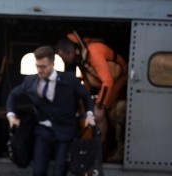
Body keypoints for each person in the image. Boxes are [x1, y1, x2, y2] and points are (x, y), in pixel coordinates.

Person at [6, 45, 96, 176]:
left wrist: (90, 114)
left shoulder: (69, 80)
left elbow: (86, 96)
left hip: (65, 133)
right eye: (38, 66)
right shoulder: (31, 81)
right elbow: (13, 95)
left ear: (53, 64)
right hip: (43, 132)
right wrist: (11, 114)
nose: (41, 70)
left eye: (44, 66)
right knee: (38, 171)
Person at [55, 33, 128, 162]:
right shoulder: (81, 59)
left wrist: (100, 106)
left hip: (118, 82)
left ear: (69, 52)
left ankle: (102, 153)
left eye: (63, 57)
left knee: (101, 115)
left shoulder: (94, 52)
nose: (64, 61)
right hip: (103, 86)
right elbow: (87, 85)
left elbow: (108, 81)